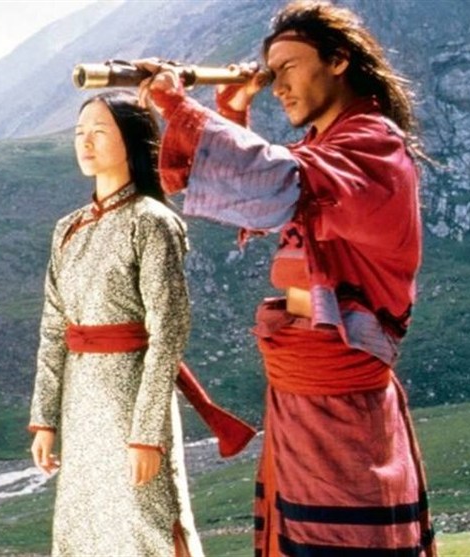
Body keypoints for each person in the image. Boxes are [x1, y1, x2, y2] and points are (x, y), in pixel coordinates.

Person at [137, 1, 437, 555]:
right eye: (271, 74)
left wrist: (178, 105)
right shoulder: (330, 149)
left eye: (289, 68)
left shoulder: (373, 144)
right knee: (301, 532)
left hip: (340, 394)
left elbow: (277, 182)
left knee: (337, 540)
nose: (278, 87)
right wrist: (233, 111)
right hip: (305, 385)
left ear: (338, 60)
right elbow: (262, 197)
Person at [28, 90, 204, 557]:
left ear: (132, 140)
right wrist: (45, 419)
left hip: (131, 401)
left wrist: (146, 433)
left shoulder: (152, 222)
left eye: (99, 132)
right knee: (84, 526)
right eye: (79, 133)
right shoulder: (67, 229)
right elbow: (54, 328)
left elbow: (168, 332)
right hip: (80, 401)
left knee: (145, 523)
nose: (86, 142)